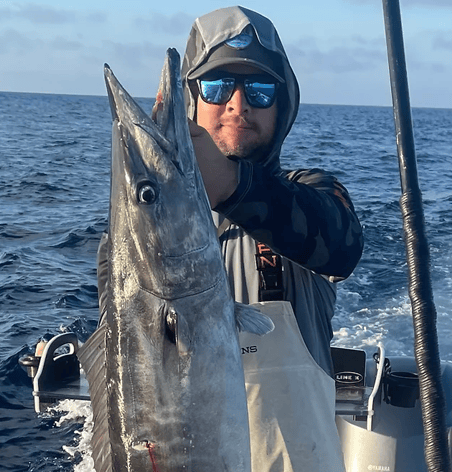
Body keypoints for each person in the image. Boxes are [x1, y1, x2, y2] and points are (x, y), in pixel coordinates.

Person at [179, 6, 363, 471]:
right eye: (217, 87)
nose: (237, 104)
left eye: (260, 90)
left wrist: (233, 187)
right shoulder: (144, 231)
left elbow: (341, 246)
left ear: (283, 108)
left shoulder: (314, 194)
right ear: (191, 101)